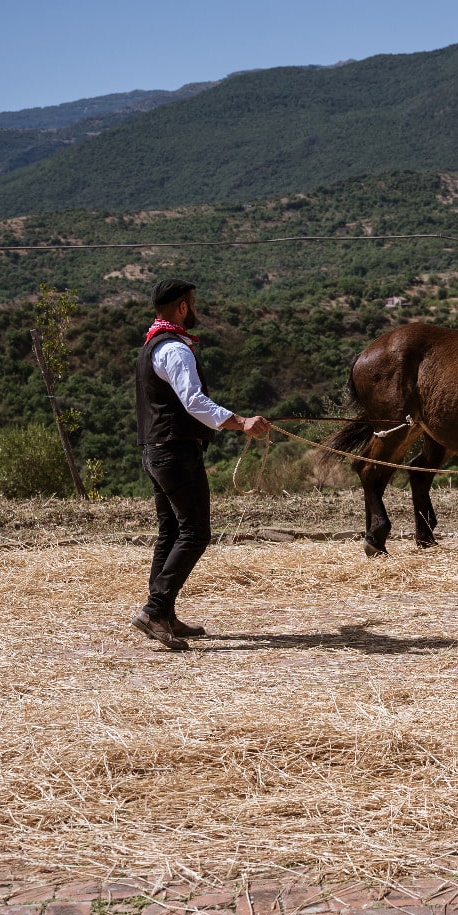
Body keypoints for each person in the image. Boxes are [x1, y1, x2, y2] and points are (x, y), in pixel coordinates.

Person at [133, 279, 270, 651]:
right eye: (193, 303)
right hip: (176, 453)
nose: (196, 309)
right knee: (194, 532)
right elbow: (194, 402)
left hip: (154, 450)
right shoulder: (176, 349)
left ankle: (165, 613)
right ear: (181, 307)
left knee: (171, 533)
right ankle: (156, 610)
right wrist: (241, 422)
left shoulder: (151, 346)